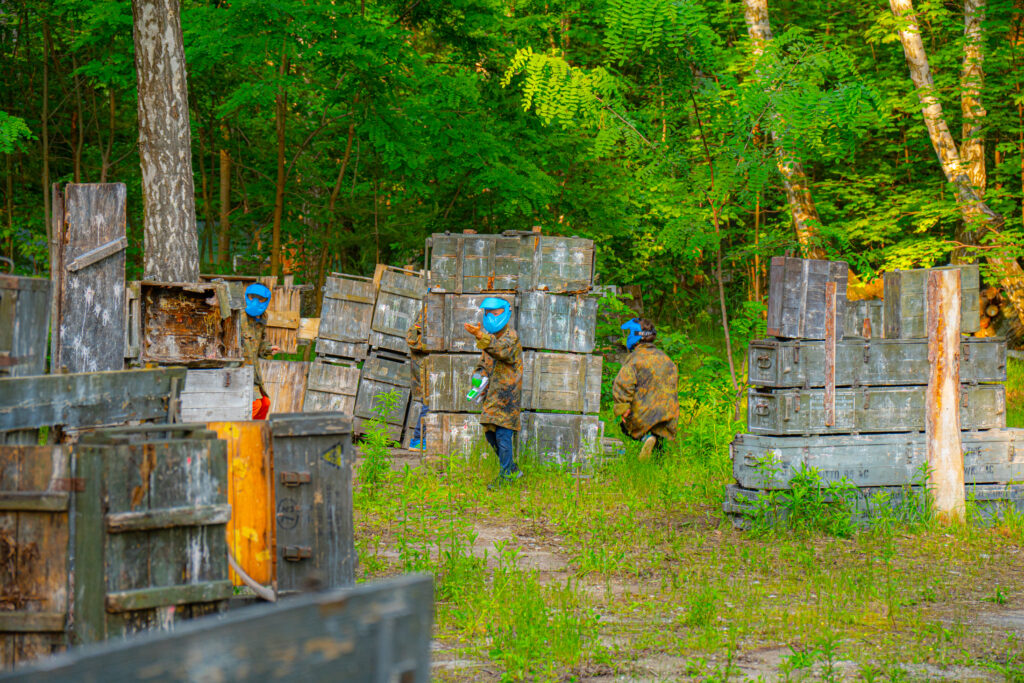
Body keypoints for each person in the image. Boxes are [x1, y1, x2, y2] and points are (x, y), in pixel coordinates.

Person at [464, 297, 523, 489]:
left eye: (495, 313)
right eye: (488, 313)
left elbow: (501, 352)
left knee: (503, 437)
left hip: (507, 396)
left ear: (505, 313)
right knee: (490, 435)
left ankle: (506, 477)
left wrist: (481, 336)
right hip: (492, 397)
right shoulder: (490, 338)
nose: (491, 317)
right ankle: (513, 470)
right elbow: (483, 363)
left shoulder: (510, 337)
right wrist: (478, 378)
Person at [613, 318, 678, 461]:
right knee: (659, 436)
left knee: (625, 426)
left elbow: (623, 384)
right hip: (667, 417)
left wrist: (623, 408)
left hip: (644, 417)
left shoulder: (635, 359)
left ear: (635, 337)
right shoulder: (667, 360)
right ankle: (657, 460)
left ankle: (644, 438)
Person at [241, 282, 279, 419]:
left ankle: (255, 435)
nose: (256, 301)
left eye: (260, 298)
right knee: (254, 405)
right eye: (252, 297)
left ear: (266, 300)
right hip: (238, 371)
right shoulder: (238, 316)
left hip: (253, 372)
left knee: (265, 404)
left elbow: (259, 344)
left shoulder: (263, 317)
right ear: (246, 296)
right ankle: (236, 435)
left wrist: (268, 349)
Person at [406, 304, 429, 451]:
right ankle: (418, 439)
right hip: (425, 368)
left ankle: (419, 439)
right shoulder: (426, 313)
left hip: (429, 367)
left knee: (429, 403)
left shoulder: (430, 311)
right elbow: (412, 340)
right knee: (429, 403)